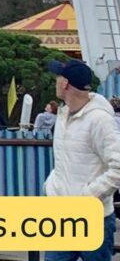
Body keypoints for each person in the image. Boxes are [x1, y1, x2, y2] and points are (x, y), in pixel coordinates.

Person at [44, 59, 120, 261]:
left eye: (58, 77)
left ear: (65, 83)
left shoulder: (100, 120)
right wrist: (52, 186)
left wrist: (88, 196)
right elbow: (63, 162)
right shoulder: (62, 114)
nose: (56, 80)